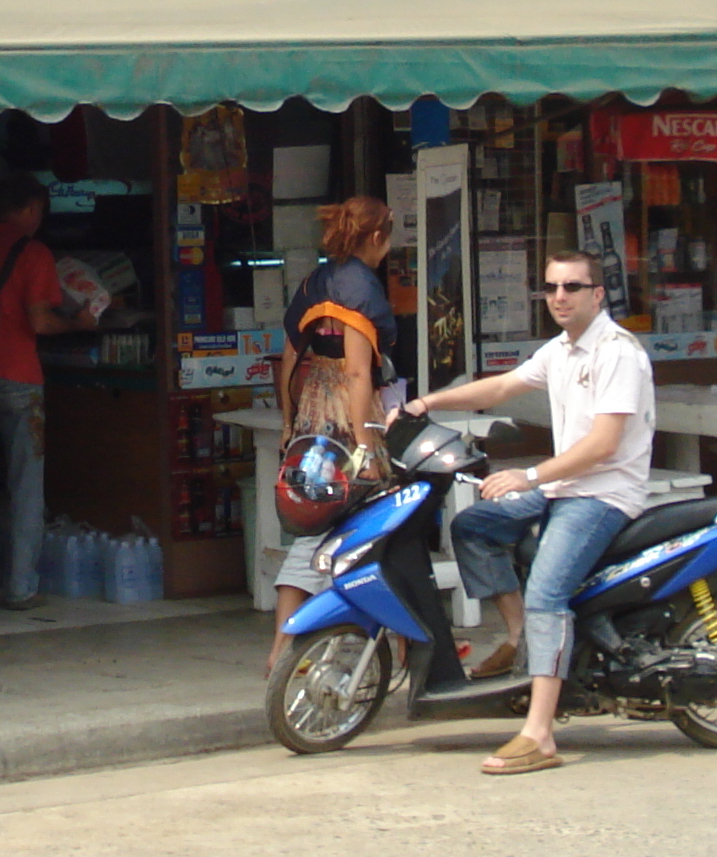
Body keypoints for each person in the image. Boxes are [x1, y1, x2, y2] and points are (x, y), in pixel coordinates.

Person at [401, 249, 654, 777]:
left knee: (546, 592)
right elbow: (501, 387)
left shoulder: (616, 353)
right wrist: (426, 404)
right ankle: (519, 641)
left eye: (572, 287)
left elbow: (605, 445)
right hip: (565, 486)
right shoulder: (561, 351)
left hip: (601, 495)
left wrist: (530, 476)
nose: (560, 297)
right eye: (552, 288)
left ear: (597, 294)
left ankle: (539, 734)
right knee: (472, 525)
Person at [0, 170, 102, 610]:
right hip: (19, 377)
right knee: (24, 486)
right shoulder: (33, 253)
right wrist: (78, 322)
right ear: (30, 208)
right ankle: (20, 589)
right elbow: (40, 321)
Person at [268, 196, 400, 664]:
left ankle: (281, 647)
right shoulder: (362, 290)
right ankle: (401, 648)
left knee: (310, 524)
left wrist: (289, 422)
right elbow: (358, 373)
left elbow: (288, 356)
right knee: (380, 529)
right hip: (350, 418)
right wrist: (366, 443)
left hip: (311, 417)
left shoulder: (315, 281)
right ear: (379, 238)